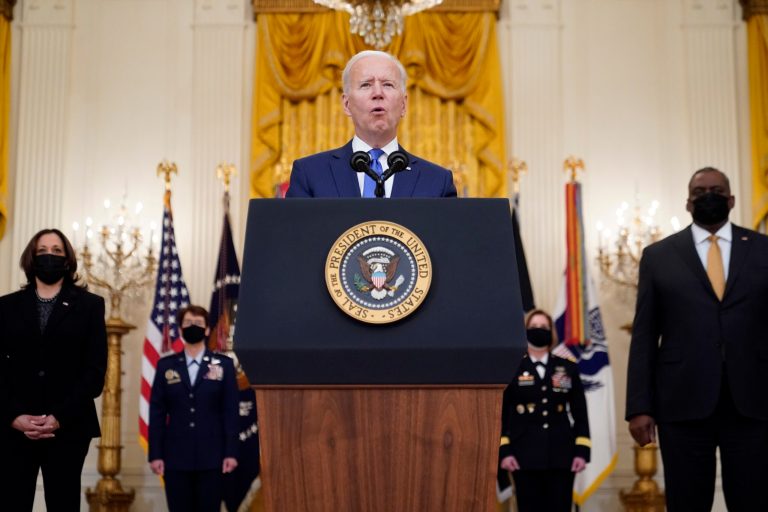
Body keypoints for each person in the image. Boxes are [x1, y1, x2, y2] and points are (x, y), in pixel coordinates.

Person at [626, 167, 768, 511]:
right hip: (682, 401)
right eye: (700, 191)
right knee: (687, 501)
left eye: (717, 191)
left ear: (731, 200)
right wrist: (639, 407)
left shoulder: (763, 250)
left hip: (753, 400)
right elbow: (645, 334)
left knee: (755, 500)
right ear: (688, 203)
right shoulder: (659, 256)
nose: (709, 196)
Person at [0, 228, 107, 510]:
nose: (50, 255)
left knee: (63, 504)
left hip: (68, 427)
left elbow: (94, 373)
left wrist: (59, 416)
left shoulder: (90, 306)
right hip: (14, 429)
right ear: (31, 259)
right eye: (43, 250)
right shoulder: (6, 307)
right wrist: (14, 416)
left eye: (57, 251)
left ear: (68, 259)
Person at [286, 50, 457, 198]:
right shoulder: (310, 174)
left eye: (388, 84)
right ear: (347, 104)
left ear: (403, 105)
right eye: (366, 85)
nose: (378, 93)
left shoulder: (437, 182)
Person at [148, 304, 239, 512]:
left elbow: (231, 411)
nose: (193, 327)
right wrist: (156, 454)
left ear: (207, 330)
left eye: (198, 324)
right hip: (175, 458)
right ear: (180, 329)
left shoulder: (223, 365)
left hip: (213, 458)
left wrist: (231, 452)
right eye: (188, 323)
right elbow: (157, 412)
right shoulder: (166, 366)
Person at [498, 309, 590, 512]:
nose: (539, 331)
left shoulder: (567, 368)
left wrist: (581, 452)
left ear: (552, 331)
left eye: (544, 327)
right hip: (523, 456)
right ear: (524, 331)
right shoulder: (513, 368)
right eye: (534, 327)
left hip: (562, 456)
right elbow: (503, 416)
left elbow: (580, 414)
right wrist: (504, 451)